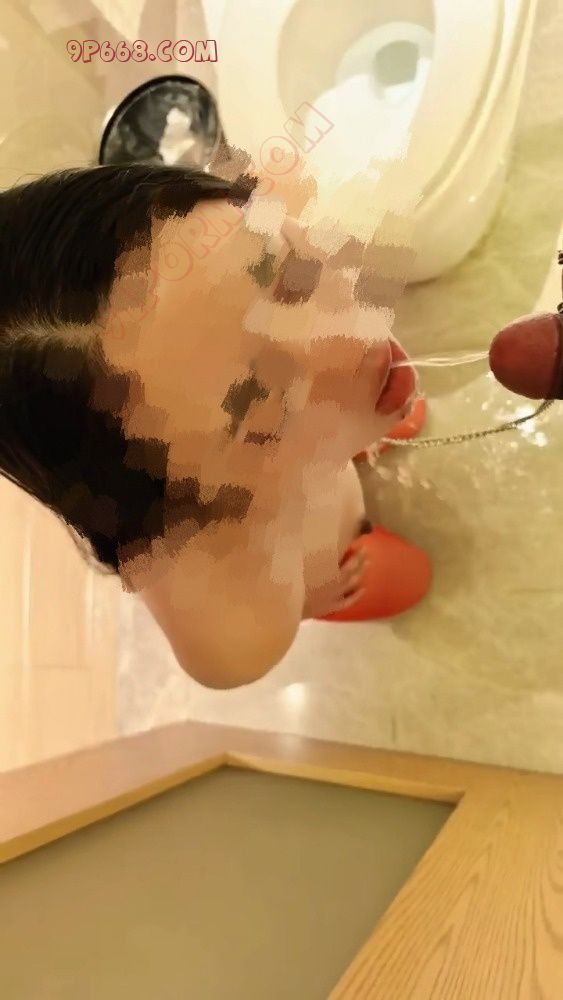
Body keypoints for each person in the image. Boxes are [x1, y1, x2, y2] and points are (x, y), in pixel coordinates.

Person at [0, 162, 430, 689]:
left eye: (291, 276)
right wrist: (315, 593)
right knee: (412, 578)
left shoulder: (228, 228)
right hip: (321, 553)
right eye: (267, 415)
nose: (355, 338)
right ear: (186, 518)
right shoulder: (235, 632)